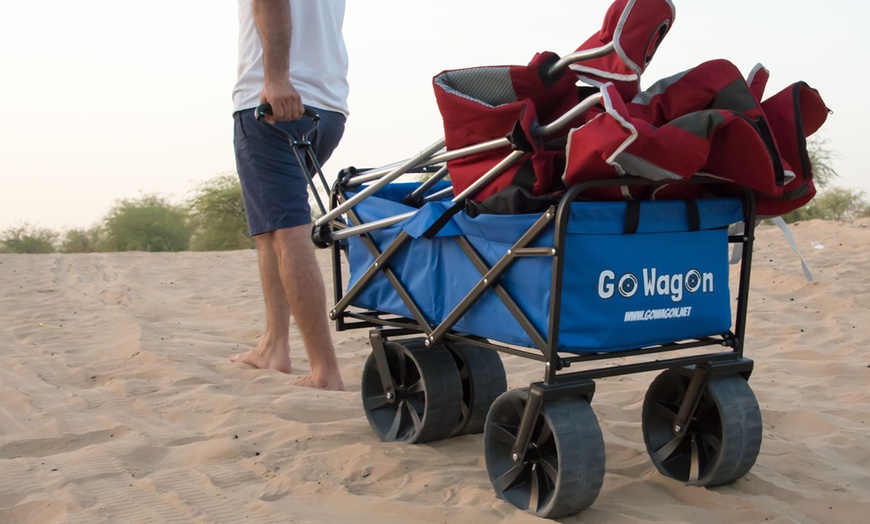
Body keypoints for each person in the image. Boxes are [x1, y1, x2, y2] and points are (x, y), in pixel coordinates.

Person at [230, 0, 349, 391]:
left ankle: (324, 372)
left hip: (277, 102)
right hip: (329, 108)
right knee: (270, 228)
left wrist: (276, 77)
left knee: (288, 231)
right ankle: (273, 345)